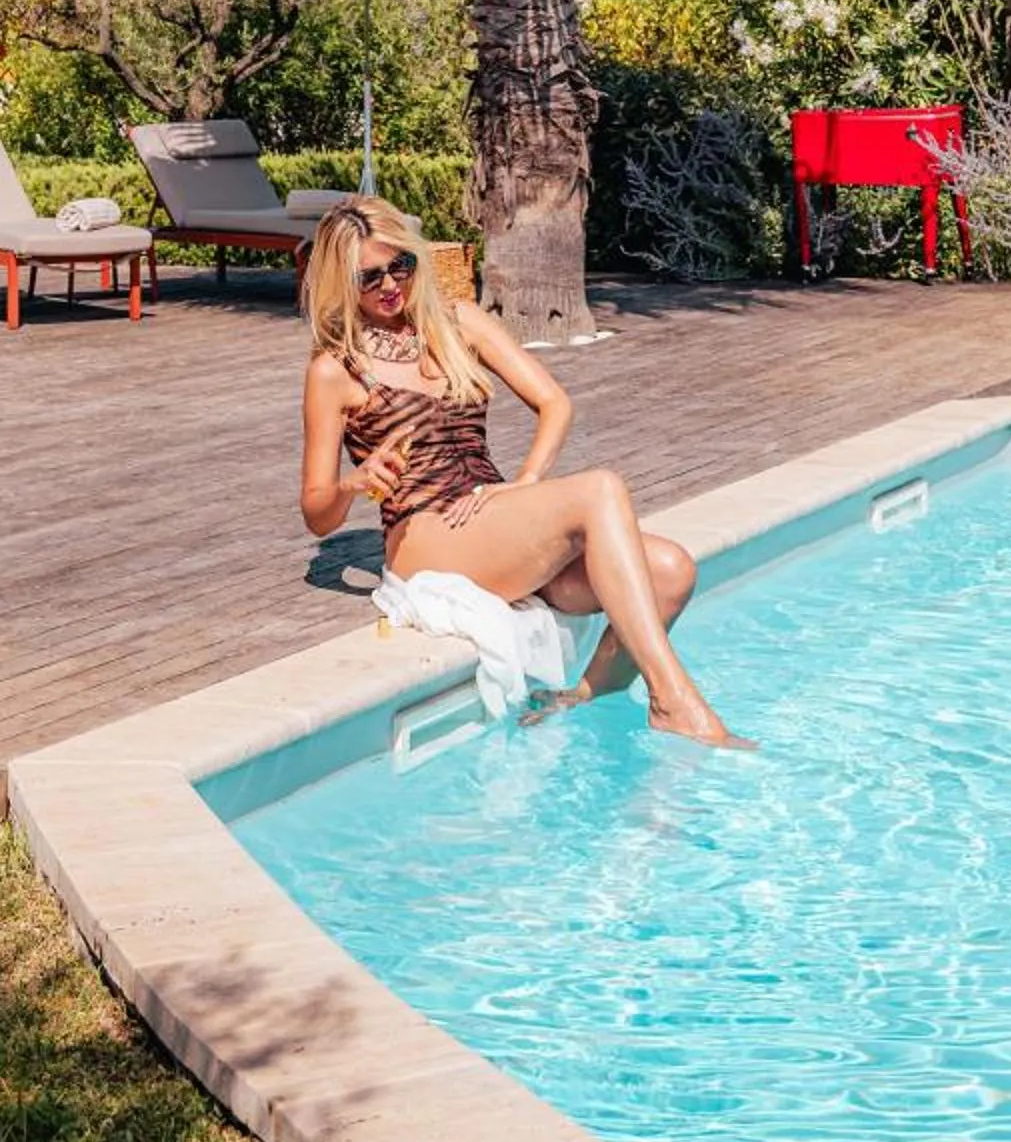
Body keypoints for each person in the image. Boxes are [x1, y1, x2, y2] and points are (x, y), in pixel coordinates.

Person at [298, 197, 748, 747]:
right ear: (341, 282)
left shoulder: (458, 322)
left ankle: (588, 694)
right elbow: (318, 513)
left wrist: (524, 483)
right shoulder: (334, 370)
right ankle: (674, 700)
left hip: (487, 515)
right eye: (370, 277)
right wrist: (353, 482)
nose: (391, 284)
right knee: (599, 489)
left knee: (672, 571)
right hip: (423, 536)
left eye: (401, 266)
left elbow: (554, 402)